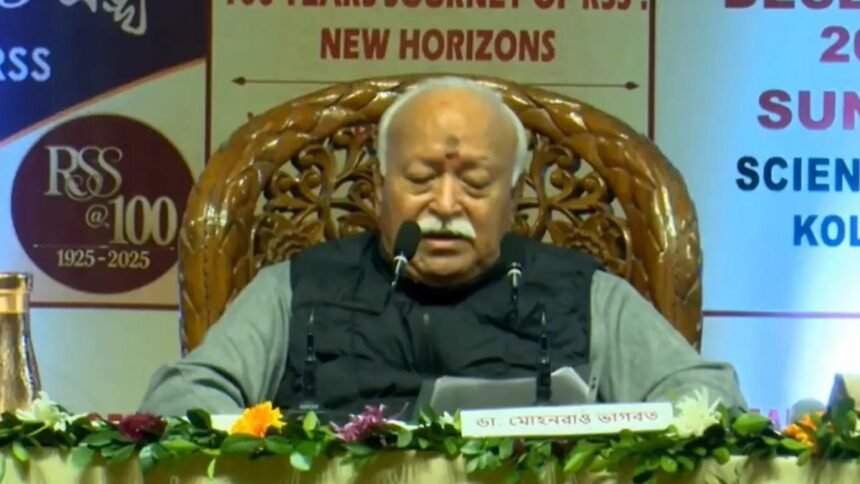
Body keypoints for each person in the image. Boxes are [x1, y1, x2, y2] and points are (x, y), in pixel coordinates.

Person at [138, 77, 747, 417]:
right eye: (421, 179)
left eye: (476, 184)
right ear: (378, 190)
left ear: (514, 200)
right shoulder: (295, 289)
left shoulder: (585, 295)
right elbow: (181, 400)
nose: (446, 205)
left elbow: (707, 403)